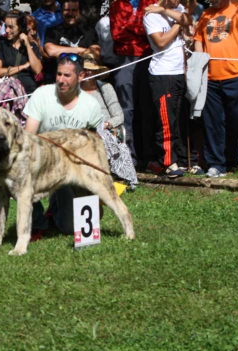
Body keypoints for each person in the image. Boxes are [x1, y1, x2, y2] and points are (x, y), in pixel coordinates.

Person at [23, 53, 102, 239]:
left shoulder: (91, 105)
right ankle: (36, 223)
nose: (61, 80)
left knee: (70, 227)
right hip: (43, 161)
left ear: (81, 76)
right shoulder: (41, 95)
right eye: (59, 74)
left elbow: (94, 147)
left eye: (67, 75)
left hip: (74, 167)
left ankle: (56, 206)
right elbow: (29, 136)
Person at [194, 0, 238, 177]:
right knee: (212, 123)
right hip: (211, 78)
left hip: (237, 75)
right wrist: (200, 66)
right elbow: (199, 40)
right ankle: (216, 164)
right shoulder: (206, 14)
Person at [143, 0, 191, 178]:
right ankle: (168, 162)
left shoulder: (176, 9)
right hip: (162, 74)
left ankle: (161, 161)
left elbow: (188, 19)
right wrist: (179, 24)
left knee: (176, 119)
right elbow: (161, 41)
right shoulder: (151, 14)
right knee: (166, 121)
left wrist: (167, 11)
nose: (178, 1)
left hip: (178, 72)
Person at [80, 55, 138, 187]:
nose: (87, 72)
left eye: (91, 70)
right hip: (82, 129)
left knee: (102, 139)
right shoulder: (75, 91)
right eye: (84, 69)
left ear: (96, 72)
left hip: (105, 128)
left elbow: (119, 116)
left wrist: (105, 125)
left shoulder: (105, 88)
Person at [110, 0, 153, 166]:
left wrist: (129, 26)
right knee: (126, 110)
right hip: (125, 60)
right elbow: (116, 34)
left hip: (148, 58)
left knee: (147, 108)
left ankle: (148, 157)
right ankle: (130, 157)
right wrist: (142, 31)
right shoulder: (116, 5)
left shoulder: (152, 2)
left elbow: (153, 31)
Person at [0, 11, 43, 95]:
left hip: (30, 93)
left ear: (20, 27)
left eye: (11, 27)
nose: (7, 30)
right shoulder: (0, 46)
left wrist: (27, 44)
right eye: (6, 26)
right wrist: (22, 67)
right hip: (10, 94)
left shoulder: (32, 46)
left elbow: (37, 69)